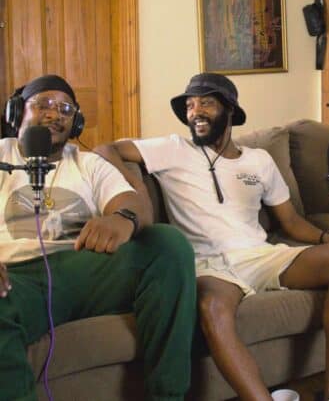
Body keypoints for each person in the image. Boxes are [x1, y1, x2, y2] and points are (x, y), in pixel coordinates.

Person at [95, 72, 329, 401]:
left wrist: (325, 239)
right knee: (211, 307)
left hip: (261, 255)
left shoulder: (259, 160)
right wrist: (136, 188)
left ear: (230, 111)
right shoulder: (172, 149)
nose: (195, 112)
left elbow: (291, 221)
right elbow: (106, 149)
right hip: (209, 265)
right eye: (190, 106)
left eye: (206, 103)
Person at [0, 74, 196, 401]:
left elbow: (133, 203)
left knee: (167, 244)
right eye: (44, 104)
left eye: (65, 109)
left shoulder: (88, 163)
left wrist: (122, 218)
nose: (55, 113)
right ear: (17, 111)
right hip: (16, 279)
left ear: (76, 122)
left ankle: (168, 396)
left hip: (84, 269)